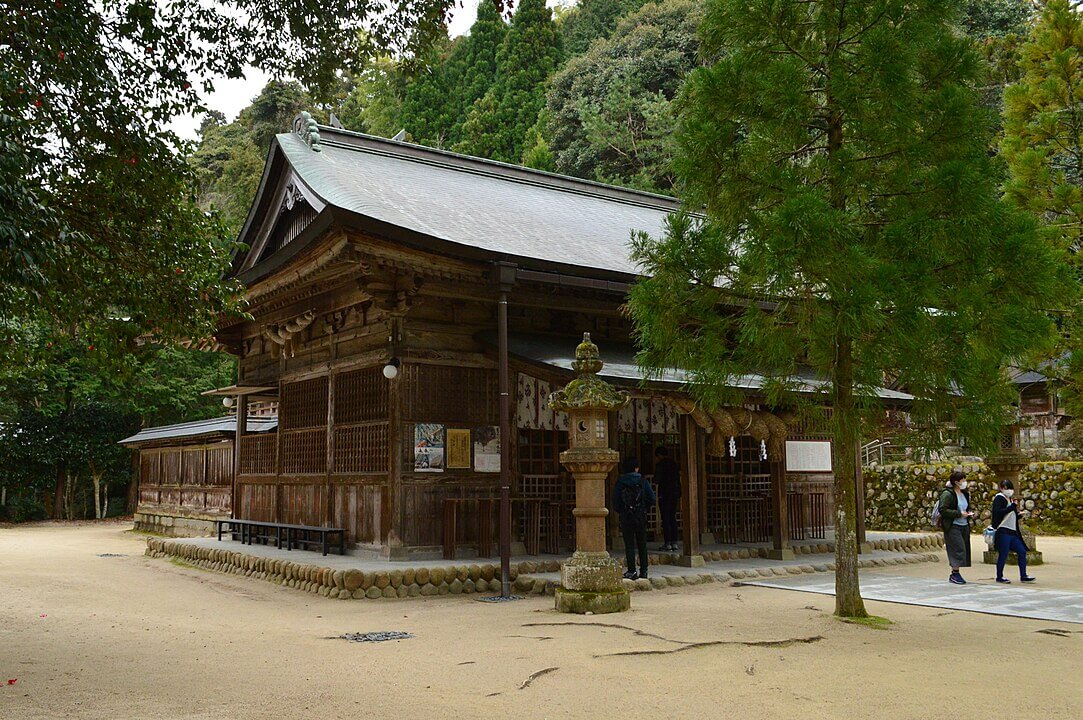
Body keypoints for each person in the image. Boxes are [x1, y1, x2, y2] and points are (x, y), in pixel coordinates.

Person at [612, 456, 656, 580]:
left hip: (626, 515)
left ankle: (631, 570)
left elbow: (615, 501)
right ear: (636, 468)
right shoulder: (642, 481)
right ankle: (644, 570)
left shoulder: (620, 482)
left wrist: (622, 510)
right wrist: (643, 507)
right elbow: (652, 498)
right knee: (642, 543)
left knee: (629, 544)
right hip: (640, 515)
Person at [991, 479, 1036, 584]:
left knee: (1022, 551)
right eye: (1006, 488)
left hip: (1012, 531)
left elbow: (1011, 516)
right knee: (1004, 553)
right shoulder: (999, 498)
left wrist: (1018, 515)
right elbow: (998, 512)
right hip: (1003, 530)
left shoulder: (1010, 499)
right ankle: (999, 576)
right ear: (1001, 488)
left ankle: (1023, 575)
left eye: (1010, 488)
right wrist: (1012, 507)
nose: (1009, 490)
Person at [938, 470, 975, 584]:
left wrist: (969, 513)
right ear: (956, 482)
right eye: (962, 480)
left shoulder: (964, 494)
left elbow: (965, 507)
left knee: (964, 548)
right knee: (958, 548)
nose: (965, 482)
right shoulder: (947, 494)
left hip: (964, 524)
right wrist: (958, 514)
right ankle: (955, 573)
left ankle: (956, 572)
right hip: (953, 525)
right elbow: (943, 509)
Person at [654, 445, 681, 552]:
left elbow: (657, 479)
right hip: (674, 494)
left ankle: (667, 542)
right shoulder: (674, 464)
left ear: (659, 455)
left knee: (665, 518)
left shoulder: (660, 465)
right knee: (672, 518)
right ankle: (674, 542)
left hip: (664, 494)